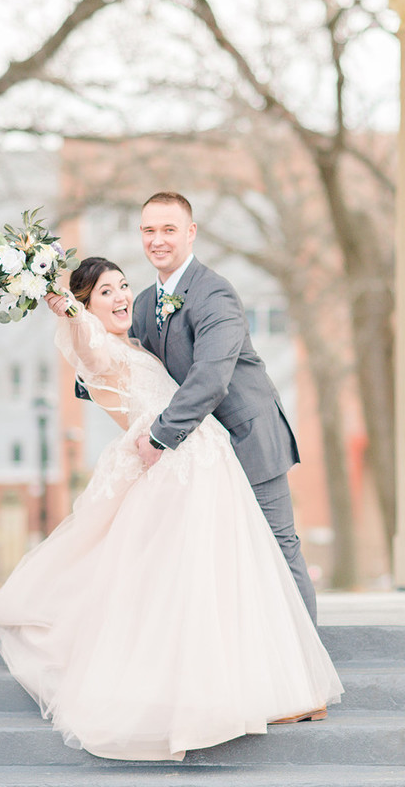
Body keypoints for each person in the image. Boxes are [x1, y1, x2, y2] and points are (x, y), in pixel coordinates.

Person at [0, 256, 343, 762]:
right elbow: (86, 346)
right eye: (105, 292)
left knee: (227, 574)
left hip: (201, 459)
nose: (120, 297)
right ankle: (209, 694)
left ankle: (269, 682)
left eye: (122, 285)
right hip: (177, 465)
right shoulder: (97, 346)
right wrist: (68, 311)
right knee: (187, 581)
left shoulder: (131, 342)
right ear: (86, 305)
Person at [132, 192, 318, 624]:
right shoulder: (143, 304)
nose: (157, 240)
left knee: (277, 547)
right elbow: (133, 366)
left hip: (248, 436)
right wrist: (88, 363)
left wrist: (159, 436)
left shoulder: (214, 293)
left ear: (191, 233)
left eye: (168, 229)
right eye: (149, 230)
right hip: (199, 448)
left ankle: (308, 658)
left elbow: (211, 376)